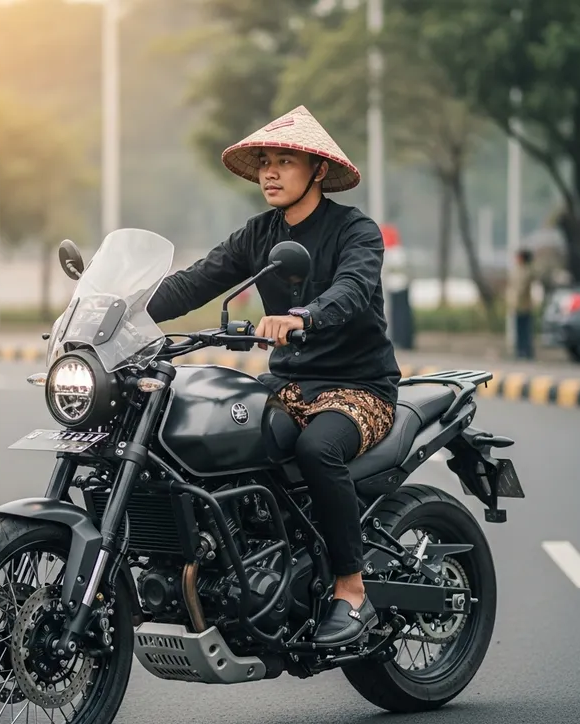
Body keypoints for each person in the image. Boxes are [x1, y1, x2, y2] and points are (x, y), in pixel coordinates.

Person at [147, 106, 401, 645]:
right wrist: (121, 310)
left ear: (316, 170)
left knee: (317, 451)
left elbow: (352, 290)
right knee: (217, 438)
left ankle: (351, 589)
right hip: (287, 388)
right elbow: (195, 282)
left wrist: (304, 316)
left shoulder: (355, 230)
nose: (270, 172)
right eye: (265, 161)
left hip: (359, 389)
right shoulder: (260, 234)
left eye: (285, 161)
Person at [511, 248, 535, 360]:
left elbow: (520, 288)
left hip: (524, 305)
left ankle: (526, 351)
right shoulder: (518, 270)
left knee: (524, 330)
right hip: (517, 305)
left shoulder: (526, 271)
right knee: (519, 329)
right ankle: (520, 351)